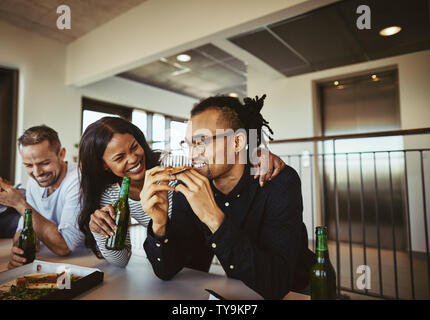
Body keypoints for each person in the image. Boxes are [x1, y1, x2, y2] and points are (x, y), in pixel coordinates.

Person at [141, 95, 315, 299]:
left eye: (201, 142)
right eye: (188, 144)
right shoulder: (188, 187)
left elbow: (276, 284)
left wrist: (214, 218)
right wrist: (160, 225)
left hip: (299, 291)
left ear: (238, 142)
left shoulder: (277, 182)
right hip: (239, 289)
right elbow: (167, 271)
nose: (192, 154)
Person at [78, 117, 286, 267]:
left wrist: (257, 155)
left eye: (134, 147)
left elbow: (217, 164)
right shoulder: (110, 196)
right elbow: (121, 261)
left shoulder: (173, 164)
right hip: (170, 258)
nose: (133, 159)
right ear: (104, 165)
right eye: (119, 157)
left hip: (205, 248)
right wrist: (98, 231)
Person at [0, 125, 84, 269]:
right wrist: (19, 250)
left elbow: (65, 247)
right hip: (53, 262)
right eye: (28, 165)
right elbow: (25, 227)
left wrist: (19, 203)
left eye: (44, 163)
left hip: (84, 262)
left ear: (61, 154)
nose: (37, 173)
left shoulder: (78, 180)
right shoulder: (34, 181)